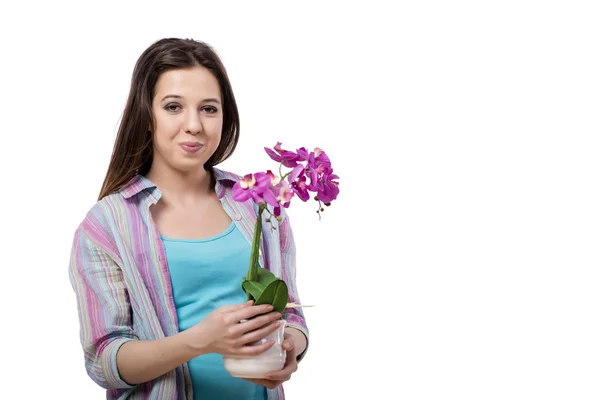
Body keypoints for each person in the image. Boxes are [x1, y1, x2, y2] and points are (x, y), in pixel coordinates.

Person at [68, 38, 308, 400]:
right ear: (146, 117)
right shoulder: (107, 225)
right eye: (173, 107)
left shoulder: (260, 205)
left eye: (209, 109)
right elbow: (104, 361)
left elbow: (291, 315)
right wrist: (201, 340)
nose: (194, 125)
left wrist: (290, 346)